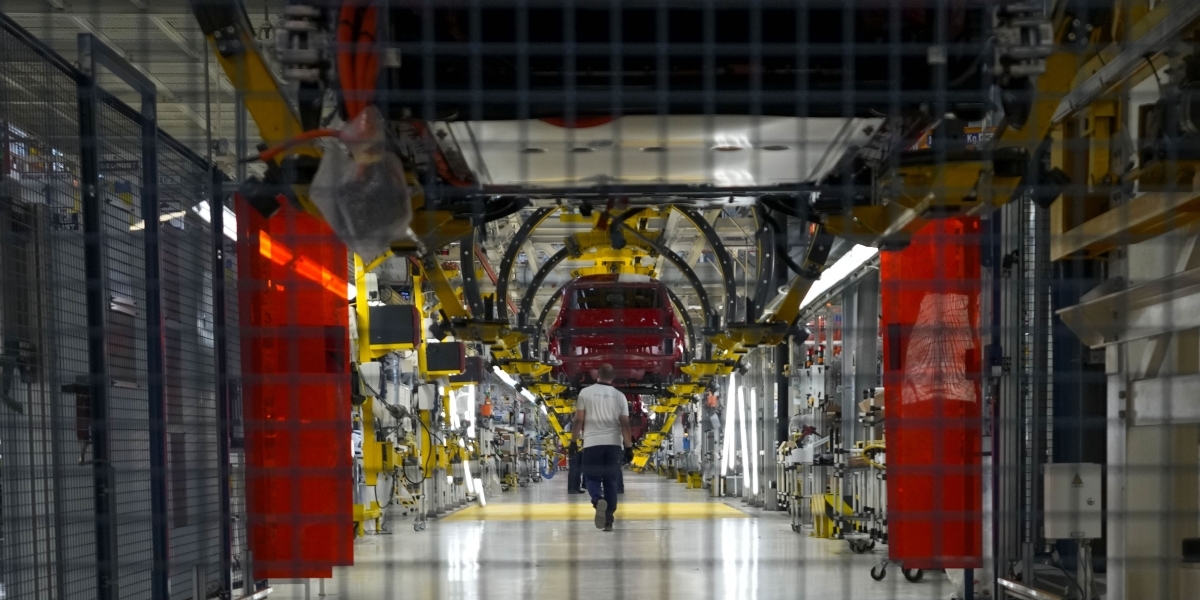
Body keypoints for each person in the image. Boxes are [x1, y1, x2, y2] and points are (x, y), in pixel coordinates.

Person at [572, 364, 632, 531]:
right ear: (613, 377)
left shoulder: (585, 393)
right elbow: (625, 423)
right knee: (611, 482)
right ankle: (608, 520)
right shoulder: (620, 396)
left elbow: (578, 420)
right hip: (613, 445)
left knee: (591, 479)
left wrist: (572, 442)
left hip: (592, 444)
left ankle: (598, 500)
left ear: (597, 374)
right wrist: (628, 447)